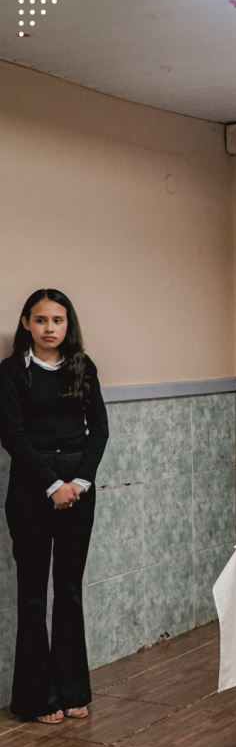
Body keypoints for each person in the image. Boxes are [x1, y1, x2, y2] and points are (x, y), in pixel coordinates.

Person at [0, 289, 109, 724]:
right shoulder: (11, 372)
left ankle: (71, 691)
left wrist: (79, 481)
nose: (50, 328)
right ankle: (35, 698)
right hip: (32, 490)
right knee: (32, 594)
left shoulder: (83, 367)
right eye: (42, 320)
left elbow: (98, 430)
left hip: (79, 492)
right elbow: (12, 435)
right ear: (27, 323)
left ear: (69, 325)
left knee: (68, 590)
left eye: (58, 320)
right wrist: (51, 485)